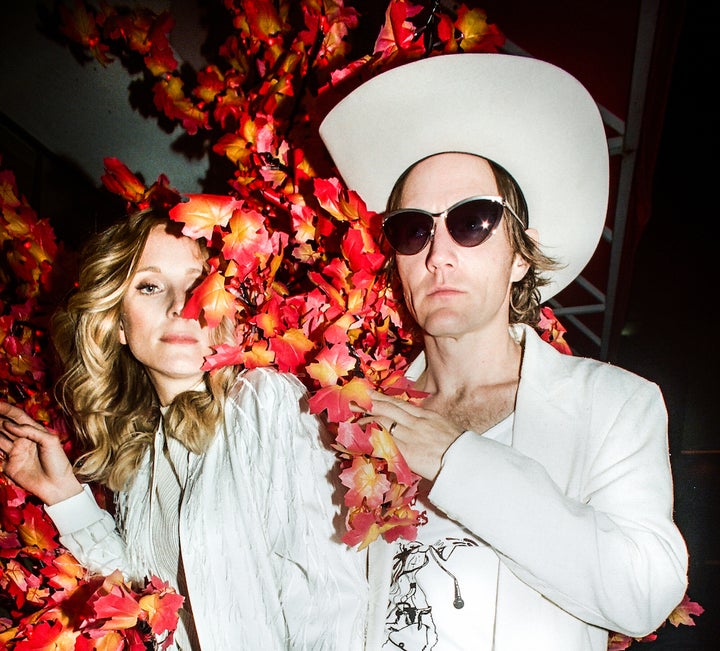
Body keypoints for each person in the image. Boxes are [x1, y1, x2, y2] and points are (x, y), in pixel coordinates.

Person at [319, 53, 688, 650]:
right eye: (413, 229)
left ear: (521, 255)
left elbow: (646, 591)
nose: (438, 254)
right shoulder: (357, 422)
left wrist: (457, 462)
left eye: (471, 222)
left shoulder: (616, 405)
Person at [0, 210, 368, 649]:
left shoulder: (265, 401)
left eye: (197, 285)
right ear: (117, 322)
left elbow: (330, 600)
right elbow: (150, 607)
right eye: (150, 286)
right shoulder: (140, 457)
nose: (180, 305)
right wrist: (66, 496)